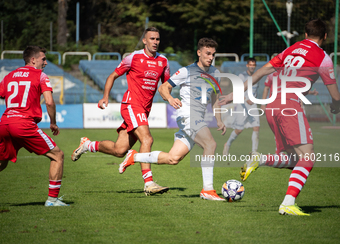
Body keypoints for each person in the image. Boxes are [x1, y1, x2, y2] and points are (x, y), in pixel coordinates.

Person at [219, 19, 340, 215]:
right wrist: (335, 106)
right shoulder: (323, 57)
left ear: (305, 35)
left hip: (272, 106)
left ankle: (260, 158)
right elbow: (335, 96)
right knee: (308, 158)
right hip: (290, 106)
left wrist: (236, 93)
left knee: (293, 159)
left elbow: (260, 72)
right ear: (325, 37)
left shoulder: (290, 50)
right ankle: (288, 202)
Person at [119, 38, 227, 201]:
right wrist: (170, 99)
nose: (210, 57)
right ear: (199, 53)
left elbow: (215, 98)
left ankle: (134, 157)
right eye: (207, 53)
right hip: (187, 115)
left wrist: (219, 120)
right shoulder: (186, 71)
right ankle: (208, 190)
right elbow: (163, 88)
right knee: (210, 144)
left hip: (198, 118)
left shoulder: (215, 73)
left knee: (173, 158)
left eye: (213, 54)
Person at [71, 27, 170, 196]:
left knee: (119, 150)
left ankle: (87, 145)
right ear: (144, 41)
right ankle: (149, 183)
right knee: (147, 139)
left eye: (157, 39)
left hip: (144, 109)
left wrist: (171, 98)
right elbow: (112, 76)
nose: (155, 42)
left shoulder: (163, 61)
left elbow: (166, 86)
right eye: (152, 39)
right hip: (131, 104)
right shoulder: (133, 57)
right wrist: (105, 97)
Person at [0, 46, 68, 206]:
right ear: (33, 60)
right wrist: (53, 122)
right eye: (43, 59)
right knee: (58, 155)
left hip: (5, 123)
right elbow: (50, 102)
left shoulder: (9, 75)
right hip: (23, 124)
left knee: (2, 161)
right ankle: (52, 200)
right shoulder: (40, 75)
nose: (45, 63)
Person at [222, 58, 260, 156]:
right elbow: (237, 90)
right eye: (250, 64)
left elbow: (255, 91)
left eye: (253, 65)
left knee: (256, 127)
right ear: (247, 65)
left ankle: (254, 152)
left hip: (253, 105)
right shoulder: (242, 76)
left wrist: (254, 98)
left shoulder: (257, 77)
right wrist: (245, 99)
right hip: (242, 105)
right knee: (239, 129)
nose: (252, 66)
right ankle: (227, 144)